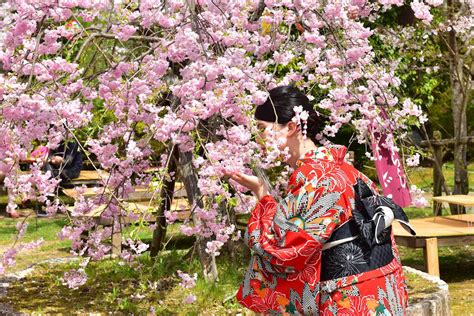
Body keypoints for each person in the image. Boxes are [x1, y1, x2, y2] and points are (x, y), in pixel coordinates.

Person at [227, 86, 409, 315]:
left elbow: (284, 250)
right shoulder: (344, 170)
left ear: (291, 127)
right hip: (382, 290)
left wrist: (263, 197)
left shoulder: (319, 181)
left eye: (262, 129)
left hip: (350, 300)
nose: (258, 140)